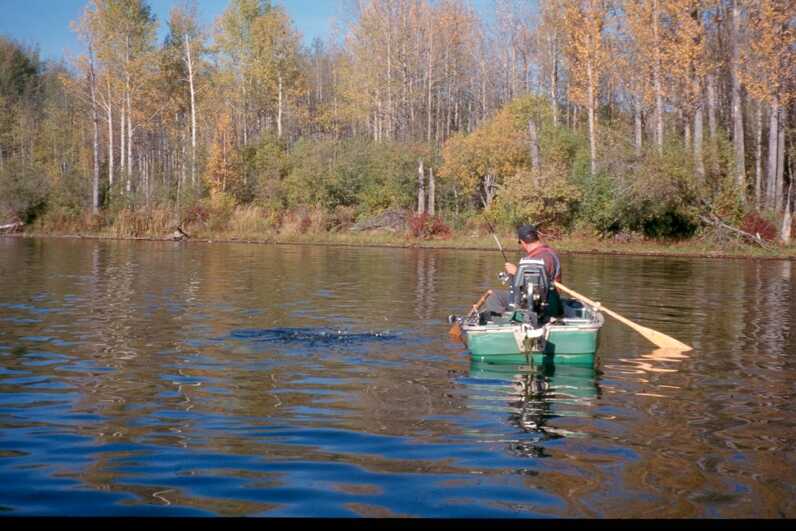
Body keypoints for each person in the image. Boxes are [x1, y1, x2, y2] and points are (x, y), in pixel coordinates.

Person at [481, 224, 562, 321]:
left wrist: (516, 272)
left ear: (523, 242)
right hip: (547, 300)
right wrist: (515, 275)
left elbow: (537, 285)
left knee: (494, 297)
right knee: (497, 296)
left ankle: (507, 321)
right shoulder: (550, 253)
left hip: (541, 305)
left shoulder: (541, 258)